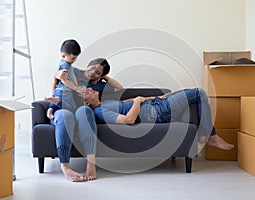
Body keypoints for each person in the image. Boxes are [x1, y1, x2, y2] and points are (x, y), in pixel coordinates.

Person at [84, 87, 235, 151]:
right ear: (86, 103)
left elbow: (128, 102)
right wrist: (138, 101)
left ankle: (204, 135)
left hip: (156, 104)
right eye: (87, 92)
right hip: (157, 112)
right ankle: (211, 136)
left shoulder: (104, 104)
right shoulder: (100, 111)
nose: (90, 89)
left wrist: (152, 97)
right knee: (199, 92)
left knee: (190, 92)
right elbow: (128, 119)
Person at [50, 57, 122, 182]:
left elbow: (119, 88)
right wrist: (52, 104)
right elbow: (58, 82)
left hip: (82, 113)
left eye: (98, 72)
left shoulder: (98, 85)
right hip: (63, 107)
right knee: (65, 115)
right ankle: (65, 166)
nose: (93, 72)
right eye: (93, 67)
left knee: (84, 111)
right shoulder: (73, 72)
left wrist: (104, 77)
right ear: (89, 64)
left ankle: (91, 163)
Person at [45, 39, 86, 119]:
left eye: (76, 58)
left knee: (57, 100)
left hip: (59, 91)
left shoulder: (68, 65)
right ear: (63, 56)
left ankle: (51, 109)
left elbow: (72, 75)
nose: (75, 60)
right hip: (66, 92)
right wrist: (76, 88)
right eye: (73, 58)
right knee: (73, 109)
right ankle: (58, 101)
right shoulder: (65, 65)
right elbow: (64, 80)